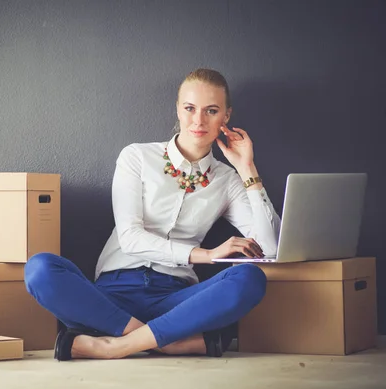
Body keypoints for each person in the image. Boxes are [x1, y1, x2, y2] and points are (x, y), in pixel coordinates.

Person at [24, 68, 281, 361]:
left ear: (226, 116)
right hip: (110, 300)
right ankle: (168, 342)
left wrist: (247, 168)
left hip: (176, 302)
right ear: (178, 109)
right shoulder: (137, 157)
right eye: (190, 108)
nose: (199, 120)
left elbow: (270, 248)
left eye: (211, 110)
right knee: (40, 268)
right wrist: (207, 255)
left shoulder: (226, 178)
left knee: (250, 278)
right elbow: (131, 238)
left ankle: (115, 345)